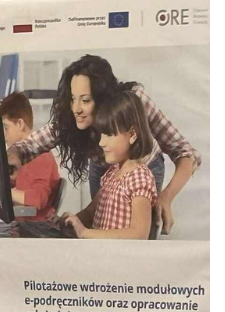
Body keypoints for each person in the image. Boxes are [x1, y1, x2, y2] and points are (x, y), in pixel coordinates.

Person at [8, 54, 200, 234]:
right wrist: (14, 157)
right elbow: (29, 145)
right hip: (105, 168)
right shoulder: (72, 118)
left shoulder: (134, 104)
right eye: (73, 99)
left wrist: (166, 197)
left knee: (135, 231)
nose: (76, 109)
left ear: (103, 99)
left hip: (143, 164)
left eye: (85, 100)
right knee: (103, 222)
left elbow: (186, 152)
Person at [61, 91, 156, 240]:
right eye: (101, 135)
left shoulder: (139, 179)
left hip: (118, 254)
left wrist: (85, 233)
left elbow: (139, 233)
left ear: (132, 135)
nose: (101, 143)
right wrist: (71, 222)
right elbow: (90, 213)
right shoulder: (113, 173)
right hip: (103, 251)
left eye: (109, 135)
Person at [0, 91, 60, 221]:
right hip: (22, 222)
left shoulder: (41, 157)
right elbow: (21, 184)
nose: (4, 136)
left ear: (20, 124)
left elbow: (37, 199)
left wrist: (3, 191)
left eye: (6, 128)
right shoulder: (22, 158)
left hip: (32, 227)